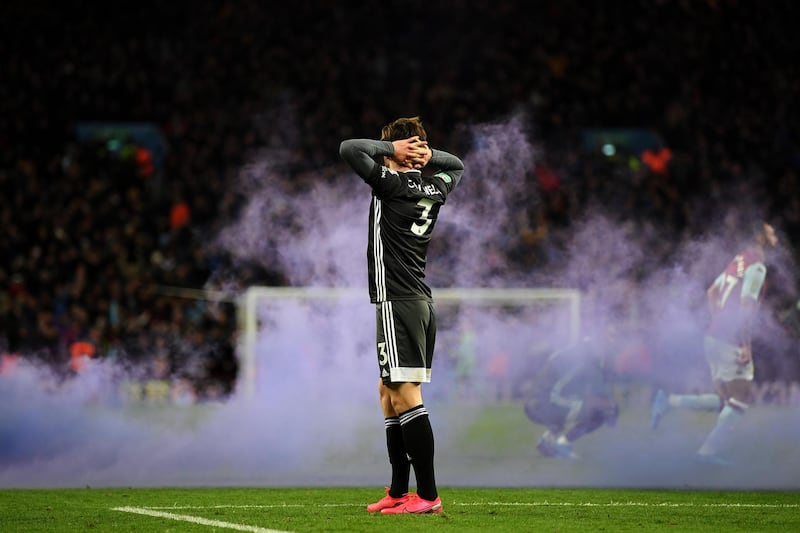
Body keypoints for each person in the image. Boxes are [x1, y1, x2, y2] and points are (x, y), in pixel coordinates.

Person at [339, 117, 464, 514]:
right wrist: (430, 155)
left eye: (389, 148)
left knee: (406, 395)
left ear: (397, 152)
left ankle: (428, 496)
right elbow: (456, 165)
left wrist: (394, 150)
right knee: (387, 392)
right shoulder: (436, 185)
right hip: (414, 300)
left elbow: (348, 149)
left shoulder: (390, 184)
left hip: (400, 300)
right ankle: (397, 492)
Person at [650, 221, 779, 465]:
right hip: (730, 340)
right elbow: (746, 307)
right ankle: (708, 452)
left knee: (725, 401)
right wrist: (745, 343)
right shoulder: (757, 267)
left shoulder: (738, 260)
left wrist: (718, 321)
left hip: (713, 336)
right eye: (771, 232)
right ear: (760, 238)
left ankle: (668, 401)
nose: (776, 237)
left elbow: (711, 292)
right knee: (740, 401)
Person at [523, 323, 620, 460]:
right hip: (544, 402)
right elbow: (593, 395)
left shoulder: (581, 349)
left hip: (537, 401)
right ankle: (563, 444)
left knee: (579, 404)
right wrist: (609, 409)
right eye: (610, 336)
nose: (613, 341)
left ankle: (547, 441)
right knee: (599, 410)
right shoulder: (588, 356)